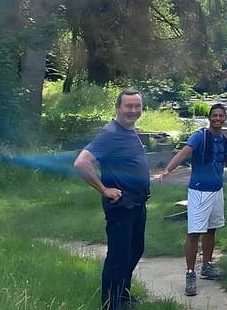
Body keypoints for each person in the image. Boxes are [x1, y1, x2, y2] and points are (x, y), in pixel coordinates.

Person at [160, 103, 227, 296]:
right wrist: (168, 169)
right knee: (195, 232)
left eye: (221, 115)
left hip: (217, 191)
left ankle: (207, 266)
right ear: (209, 117)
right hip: (199, 191)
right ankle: (190, 274)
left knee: (211, 230)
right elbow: (184, 153)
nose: (218, 118)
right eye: (215, 115)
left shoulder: (225, 141)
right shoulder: (199, 136)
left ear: (225, 118)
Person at [73, 89, 150, 310]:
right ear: (118, 108)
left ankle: (122, 295)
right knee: (118, 256)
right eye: (129, 106)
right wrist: (104, 189)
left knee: (135, 249)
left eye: (137, 106)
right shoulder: (110, 133)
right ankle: (110, 304)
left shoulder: (129, 130)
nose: (133, 110)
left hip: (137, 203)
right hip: (121, 207)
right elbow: (81, 163)